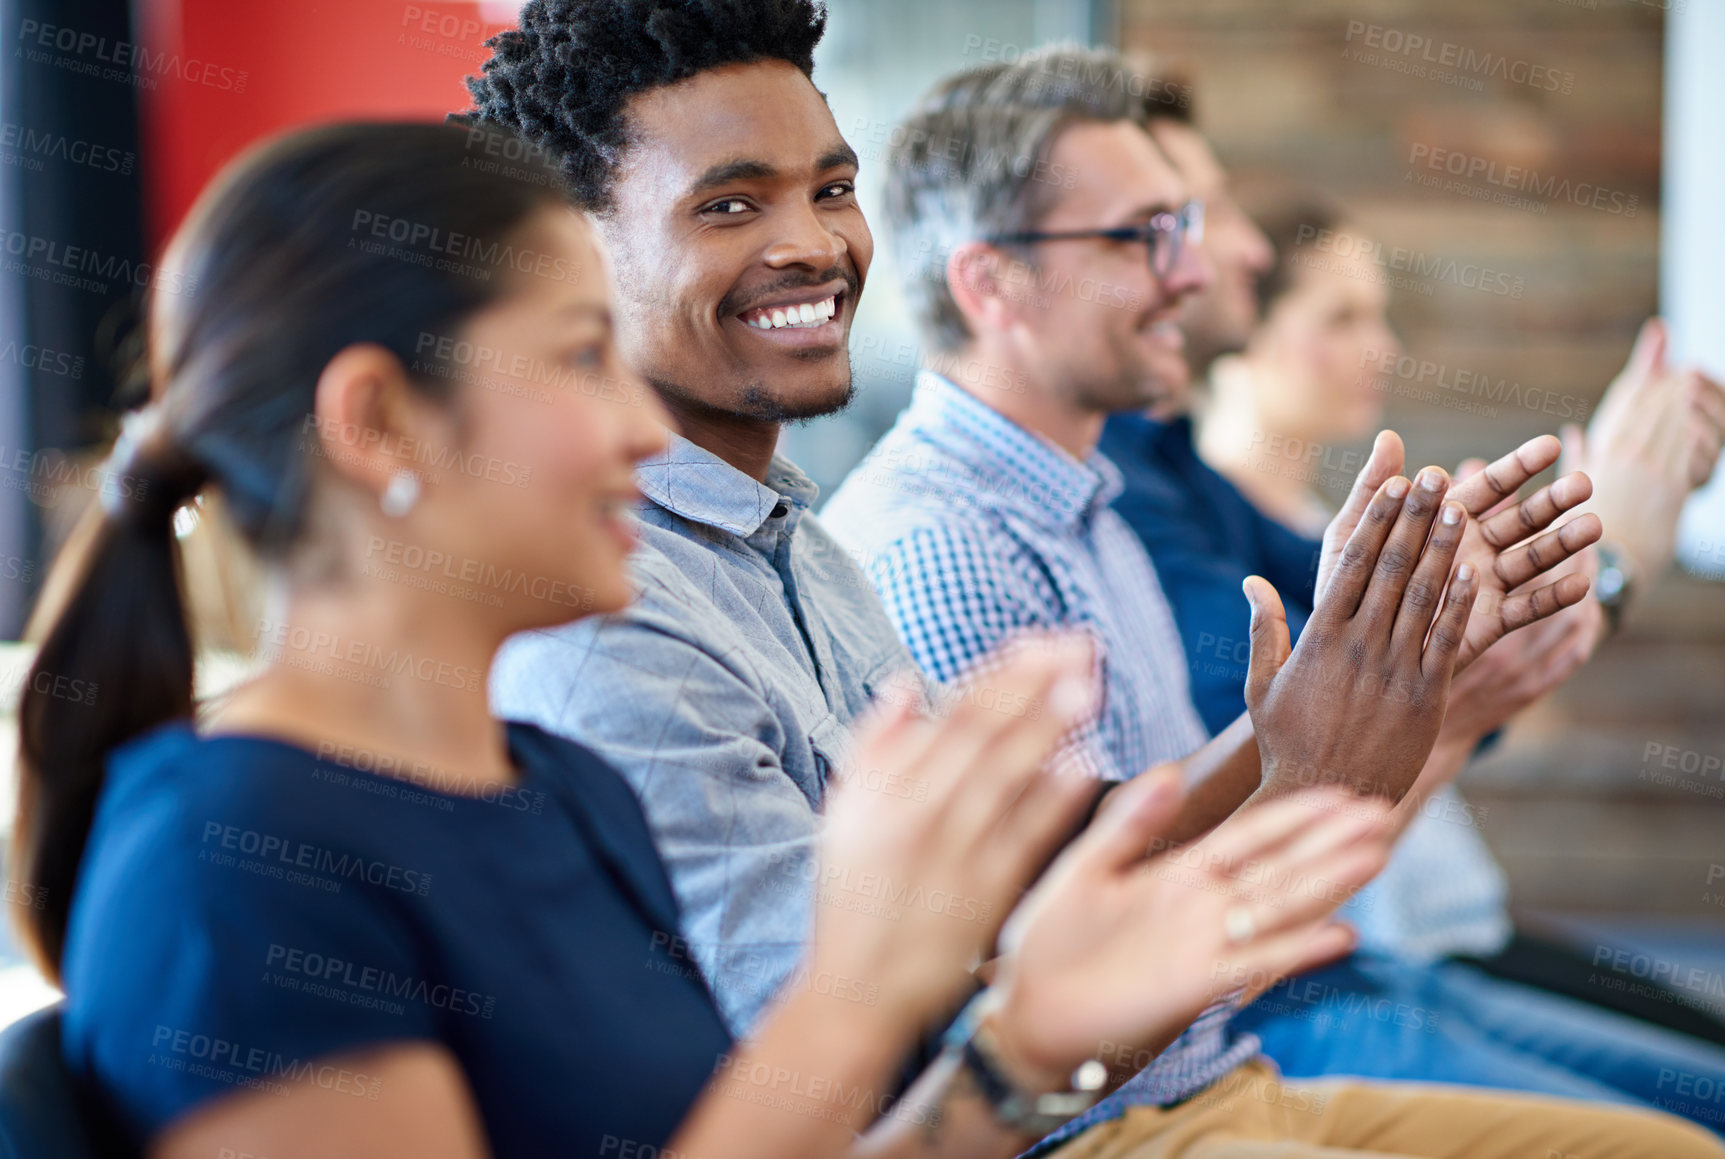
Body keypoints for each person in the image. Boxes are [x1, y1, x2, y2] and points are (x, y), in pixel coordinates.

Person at [21, 118, 1413, 1159]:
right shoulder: (238, 862)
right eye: (579, 359)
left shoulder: (562, 789)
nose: (641, 430)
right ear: (379, 421)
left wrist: (1018, 1046)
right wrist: (865, 984)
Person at [816, 47, 1725, 1157]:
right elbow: (1072, 956)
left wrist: (1409, 658)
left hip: (1222, 1059)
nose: (1195, 273)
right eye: (1144, 235)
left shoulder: (1093, 503)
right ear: (989, 283)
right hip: (1125, 1107)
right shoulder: (942, 543)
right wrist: (1351, 711)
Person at [1096, 73, 1725, 1115]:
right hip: (1308, 988)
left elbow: (1395, 708)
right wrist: (1603, 573)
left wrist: (1566, 576)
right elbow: (1332, 776)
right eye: (1186, 218)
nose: (1236, 249)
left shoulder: (1195, 493)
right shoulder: (1152, 504)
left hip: (1391, 951)